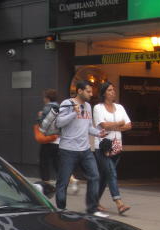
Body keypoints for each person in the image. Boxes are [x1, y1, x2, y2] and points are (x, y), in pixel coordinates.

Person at [55, 81, 106, 216]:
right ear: (79, 91)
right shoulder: (67, 103)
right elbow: (59, 122)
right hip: (68, 150)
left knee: (94, 176)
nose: (91, 94)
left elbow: (88, 126)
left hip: (85, 150)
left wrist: (98, 133)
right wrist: (73, 113)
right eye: (88, 91)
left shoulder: (88, 106)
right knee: (63, 181)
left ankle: (92, 209)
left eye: (91, 91)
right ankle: (61, 210)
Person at [93, 81, 132, 215]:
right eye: (109, 90)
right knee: (111, 173)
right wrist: (119, 123)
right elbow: (104, 125)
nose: (113, 92)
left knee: (105, 176)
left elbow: (129, 125)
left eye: (113, 90)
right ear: (104, 93)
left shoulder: (120, 107)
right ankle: (119, 203)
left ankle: (94, 202)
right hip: (103, 146)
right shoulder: (98, 108)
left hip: (117, 145)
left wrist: (115, 125)